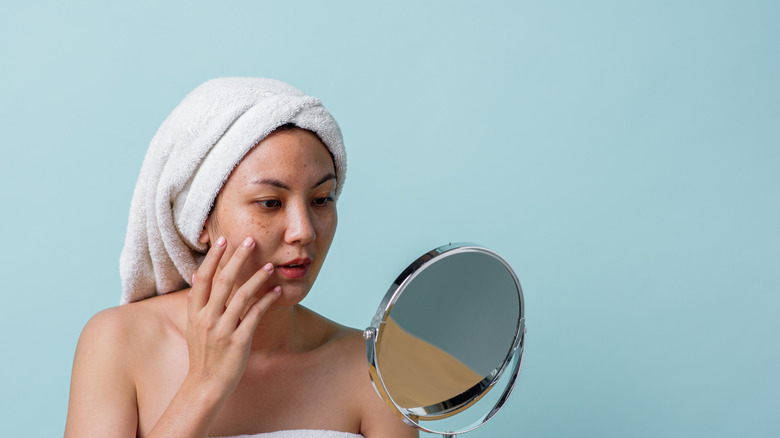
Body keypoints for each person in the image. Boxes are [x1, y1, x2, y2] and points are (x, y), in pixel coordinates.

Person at [64, 78, 418, 438]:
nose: (304, 231)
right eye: (270, 203)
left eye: (321, 199)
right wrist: (204, 384)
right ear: (200, 221)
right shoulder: (117, 342)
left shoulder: (373, 369)